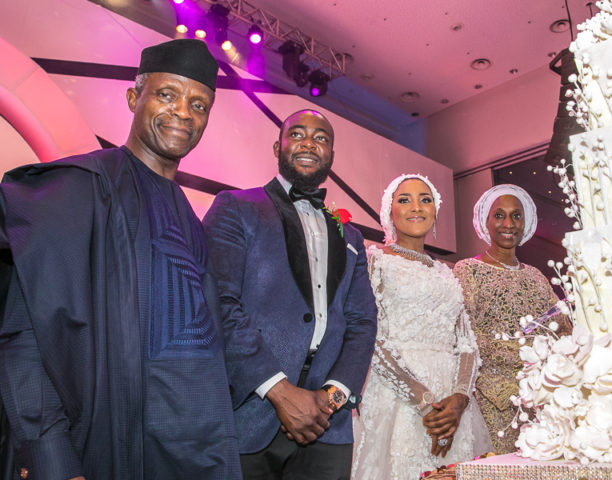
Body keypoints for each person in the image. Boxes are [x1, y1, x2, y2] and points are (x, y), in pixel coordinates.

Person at [0, 39, 242, 479]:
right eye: (167, 94)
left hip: (198, 455)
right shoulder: (78, 188)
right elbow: (23, 334)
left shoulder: (193, 220)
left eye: (199, 104)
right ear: (134, 97)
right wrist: (49, 453)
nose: (184, 113)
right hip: (105, 451)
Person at [202, 109, 378, 479]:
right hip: (250, 415)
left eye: (321, 137)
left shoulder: (353, 238)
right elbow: (219, 303)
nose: (309, 143)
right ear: (277, 146)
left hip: (327, 427)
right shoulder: (236, 208)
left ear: (330, 154)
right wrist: (280, 392)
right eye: (297, 133)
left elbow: (363, 322)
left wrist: (331, 399)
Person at [352, 174, 491, 479]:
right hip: (400, 400)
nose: (416, 207)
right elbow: (372, 337)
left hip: (453, 407)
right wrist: (425, 403)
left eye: (425, 199)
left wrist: (459, 399)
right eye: (405, 200)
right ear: (390, 212)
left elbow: (466, 343)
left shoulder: (447, 272)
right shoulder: (375, 262)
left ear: (435, 212)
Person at [453, 184, 573, 454]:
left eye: (516, 216)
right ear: (486, 222)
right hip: (490, 403)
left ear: (525, 223)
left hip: (539, 402)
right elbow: (465, 337)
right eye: (499, 215)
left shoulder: (536, 277)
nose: (508, 223)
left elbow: (563, 331)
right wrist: (528, 352)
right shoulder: (468, 270)